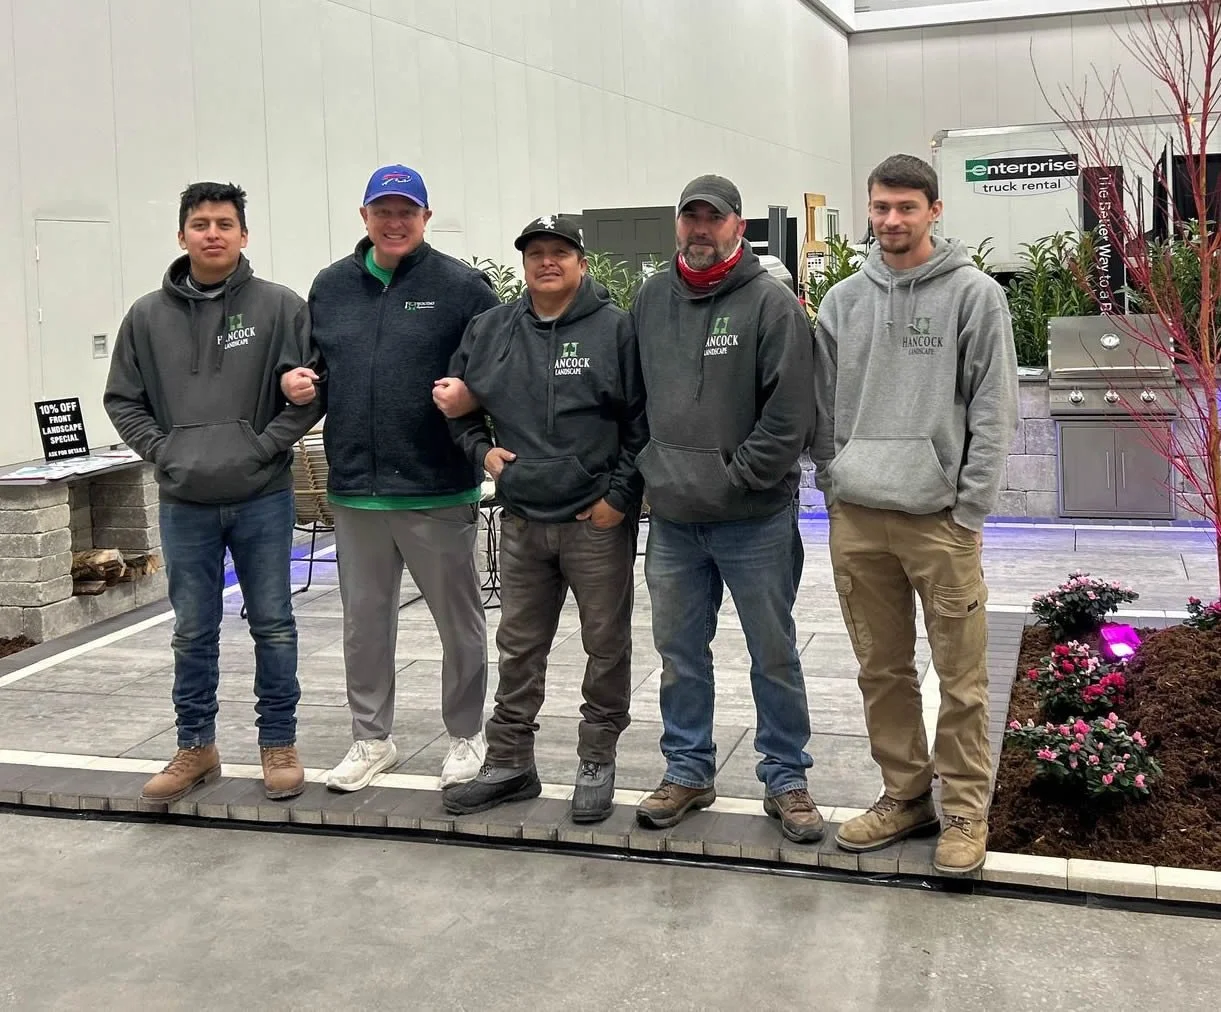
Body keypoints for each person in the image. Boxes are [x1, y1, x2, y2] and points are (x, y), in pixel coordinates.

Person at [812, 153, 1018, 875]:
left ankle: (964, 810)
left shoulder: (973, 295)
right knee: (881, 669)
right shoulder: (842, 301)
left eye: (906, 207)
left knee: (961, 678)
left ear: (934, 210)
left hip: (939, 522)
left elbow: (994, 407)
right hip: (858, 517)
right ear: (868, 211)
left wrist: (969, 510)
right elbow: (820, 407)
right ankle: (905, 796)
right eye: (880, 207)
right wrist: (833, 484)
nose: (892, 220)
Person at [103, 181, 324, 803]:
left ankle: (278, 742)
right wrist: (165, 451)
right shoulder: (146, 317)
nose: (213, 234)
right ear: (182, 235)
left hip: (262, 496)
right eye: (200, 224)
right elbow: (123, 399)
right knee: (192, 630)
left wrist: (263, 447)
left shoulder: (281, 307)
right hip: (185, 503)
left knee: (274, 625)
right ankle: (195, 746)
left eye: (225, 224)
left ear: (244, 235)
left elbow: (312, 390)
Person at [432, 215, 648, 822]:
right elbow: (454, 401)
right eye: (535, 253)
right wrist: (481, 451)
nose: (547, 262)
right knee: (519, 647)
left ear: (582, 262)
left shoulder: (615, 330)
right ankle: (509, 763)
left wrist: (618, 499)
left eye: (560, 252)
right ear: (524, 263)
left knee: (605, 645)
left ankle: (596, 758)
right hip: (523, 519)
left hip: (594, 522)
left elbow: (642, 423)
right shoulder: (491, 329)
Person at [630, 174, 823, 843]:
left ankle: (785, 778)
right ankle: (687, 771)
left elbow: (790, 413)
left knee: (773, 654)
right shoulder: (651, 298)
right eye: (690, 218)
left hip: (755, 519)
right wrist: (651, 468)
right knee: (680, 654)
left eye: (713, 218)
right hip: (674, 521)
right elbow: (632, 395)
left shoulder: (771, 304)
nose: (700, 229)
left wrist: (739, 479)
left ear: (738, 226)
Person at [297, 164, 499, 793]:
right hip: (356, 491)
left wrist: (474, 398)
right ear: (364, 217)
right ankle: (371, 738)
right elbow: (315, 369)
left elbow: (500, 365)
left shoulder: (463, 287)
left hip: (437, 486)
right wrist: (298, 383)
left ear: (425, 218)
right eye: (382, 211)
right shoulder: (331, 286)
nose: (394, 222)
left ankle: (467, 733)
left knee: (458, 624)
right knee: (363, 626)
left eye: (406, 211)